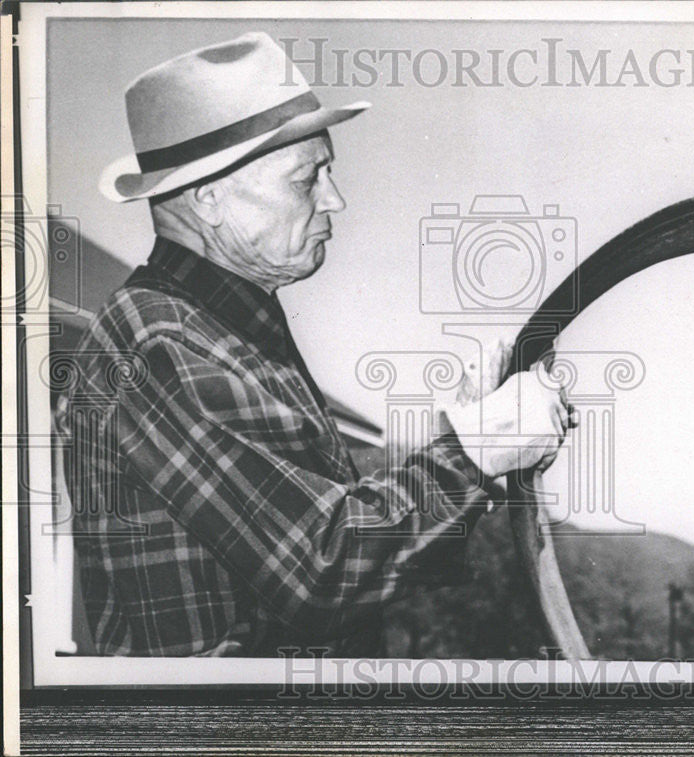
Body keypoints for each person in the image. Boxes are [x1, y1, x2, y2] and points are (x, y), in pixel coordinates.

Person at [55, 32, 573, 657]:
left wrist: (468, 447)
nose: (336, 199)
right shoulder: (158, 342)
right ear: (210, 199)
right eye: (308, 179)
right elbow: (322, 570)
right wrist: (477, 449)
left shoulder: (224, 328)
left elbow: (339, 547)